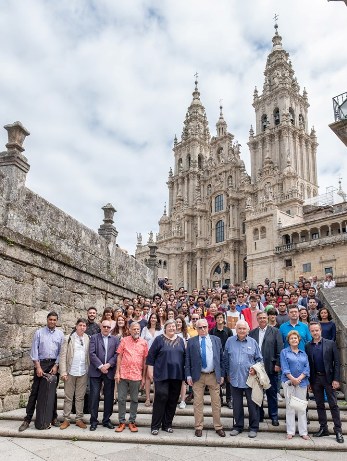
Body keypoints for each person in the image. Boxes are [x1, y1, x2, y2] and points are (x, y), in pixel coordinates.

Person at [18, 312, 64, 432]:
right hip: (41, 364)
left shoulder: (60, 334)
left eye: (54, 320)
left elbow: (61, 352)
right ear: (47, 320)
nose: (52, 322)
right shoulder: (39, 333)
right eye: (50, 319)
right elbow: (34, 350)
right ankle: (27, 419)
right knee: (35, 392)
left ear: (57, 321)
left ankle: (53, 417)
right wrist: (38, 367)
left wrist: (56, 365)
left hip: (53, 364)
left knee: (52, 392)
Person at [186, 318, 226, 438]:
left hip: (213, 375)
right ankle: (198, 426)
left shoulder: (216, 340)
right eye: (200, 327)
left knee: (216, 402)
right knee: (197, 403)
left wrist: (222, 374)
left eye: (204, 327)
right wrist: (188, 375)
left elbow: (221, 358)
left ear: (208, 327)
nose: (203, 329)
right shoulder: (192, 341)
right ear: (196, 328)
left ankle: (218, 426)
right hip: (198, 376)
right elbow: (187, 359)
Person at [224, 320, 263, 438]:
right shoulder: (230, 341)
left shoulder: (253, 342)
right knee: (237, 405)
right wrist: (227, 374)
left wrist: (255, 369)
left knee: (252, 405)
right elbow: (225, 358)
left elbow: (260, 360)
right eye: (239, 328)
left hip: (250, 379)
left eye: (243, 329)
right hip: (234, 378)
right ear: (236, 329)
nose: (241, 330)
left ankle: (254, 427)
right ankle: (238, 426)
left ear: (248, 329)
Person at [305, 322, 344, 443]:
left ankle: (338, 431)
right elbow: (308, 365)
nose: (315, 333)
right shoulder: (308, 346)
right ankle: (324, 428)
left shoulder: (330, 344)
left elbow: (337, 363)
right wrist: (309, 382)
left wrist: (336, 379)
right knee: (319, 405)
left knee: (333, 405)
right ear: (310, 332)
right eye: (312, 331)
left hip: (329, 379)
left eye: (317, 330)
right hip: (315, 379)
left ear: (320, 330)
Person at [146, 319, 185, 435]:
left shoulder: (181, 340)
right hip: (161, 374)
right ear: (165, 328)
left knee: (173, 400)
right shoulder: (159, 339)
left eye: (174, 326)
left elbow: (184, 356)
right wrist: (150, 372)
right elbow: (151, 357)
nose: (172, 328)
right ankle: (155, 425)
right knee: (161, 397)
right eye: (170, 326)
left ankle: (167, 424)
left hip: (176, 375)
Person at [249, 311, 283, 426]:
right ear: (257, 319)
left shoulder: (275, 332)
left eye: (264, 317)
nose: (262, 319)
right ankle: (259, 415)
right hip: (257, 368)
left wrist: (278, 364)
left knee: (271, 393)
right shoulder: (252, 333)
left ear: (267, 318)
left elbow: (280, 349)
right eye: (260, 318)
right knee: (257, 393)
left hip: (271, 367)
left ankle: (274, 416)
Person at [114, 322, 148, 433]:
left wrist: (143, 378)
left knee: (134, 399)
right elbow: (119, 356)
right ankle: (121, 421)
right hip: (123, 374)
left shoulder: (144, 343)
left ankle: (132, 421)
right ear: (130, 330)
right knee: (121, 399)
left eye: (138, 329)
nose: (136, 331)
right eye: (134, 329)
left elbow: (145, 361)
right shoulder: (124, 340)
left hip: (136, 375)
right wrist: (117, 373)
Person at [89, 320, 120, 431]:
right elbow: (91, 354)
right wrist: (101, 366)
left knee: (109, 397)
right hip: (96, 371)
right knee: (94, 397)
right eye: (104, 326)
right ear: (101, 327)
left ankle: (106, 420)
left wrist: (108, 365)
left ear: (110, 328)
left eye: (108, 327)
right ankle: (93, 421)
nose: (106, 328)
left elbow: (117, 354)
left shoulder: (116, 339)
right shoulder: (94, 338)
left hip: (109, 371)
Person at [59, 318, 90, 430]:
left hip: (83, 372)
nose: (82, 327)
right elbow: (62, 356)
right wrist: (63, 372)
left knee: (80, 397)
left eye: (84, 326)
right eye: (80, 325)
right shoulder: (68, 338)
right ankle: (66, 419)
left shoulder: (88, 338)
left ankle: (79, 419)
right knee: (68, 397)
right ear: (76, 326)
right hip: (70, 372)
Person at [280, 330, 310, 440]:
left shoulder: (303, 353)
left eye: (295, 338)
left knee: (302, 407)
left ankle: (303, 432)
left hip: (302, 383)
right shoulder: (284, 352)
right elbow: (285, 367)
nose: (294, 340)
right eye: (292, 338)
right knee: (290, 407)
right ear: (288, 340)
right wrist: (293, 379)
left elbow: (307, 368)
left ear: (299, 340)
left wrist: (299, 379)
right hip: (288, 383)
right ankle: (290, 431)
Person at [209, 312, 233, 409]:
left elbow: (231, 343)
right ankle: (219, 399)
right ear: (215, 320)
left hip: (227, 357)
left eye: (221, 317)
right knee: (217, 379)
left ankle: (229, 399)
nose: (219, 319)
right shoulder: (212, 331)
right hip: (216, 357)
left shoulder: (228, 331)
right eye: (218, 317)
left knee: (228, 379)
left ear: (224, 319)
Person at [141, 313, 162, 406]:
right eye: (152, 318)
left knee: (157, 377)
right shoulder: (145, 329)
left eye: (155, 318)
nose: (153, 319)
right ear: (149, 319)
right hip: (148, 354)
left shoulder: (161, 330)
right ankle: (148, 398)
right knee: (148, 376)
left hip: (159, 355)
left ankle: (156, 398)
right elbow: (141, 341)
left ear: (157, 319)